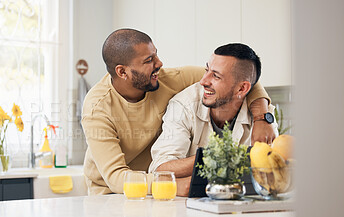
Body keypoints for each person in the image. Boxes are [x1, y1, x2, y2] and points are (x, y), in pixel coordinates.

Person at [82, 29, 274, 195]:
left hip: (159, 183)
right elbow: (116, 178)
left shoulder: (167, 79)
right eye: (149, 60)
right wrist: (174, 183)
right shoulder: (97, 108)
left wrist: (262, 118)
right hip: (112, 191)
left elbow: (241, 79)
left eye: (156, 54)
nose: (160, 63)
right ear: (122, 72)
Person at [149, 43, 279, 196]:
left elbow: (270, 173)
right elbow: (160, 168)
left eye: (216, 76)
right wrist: (217, 157)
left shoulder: (263, 117)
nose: (203, 81)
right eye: (207, 70)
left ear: (242, 89)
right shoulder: (183, 106)